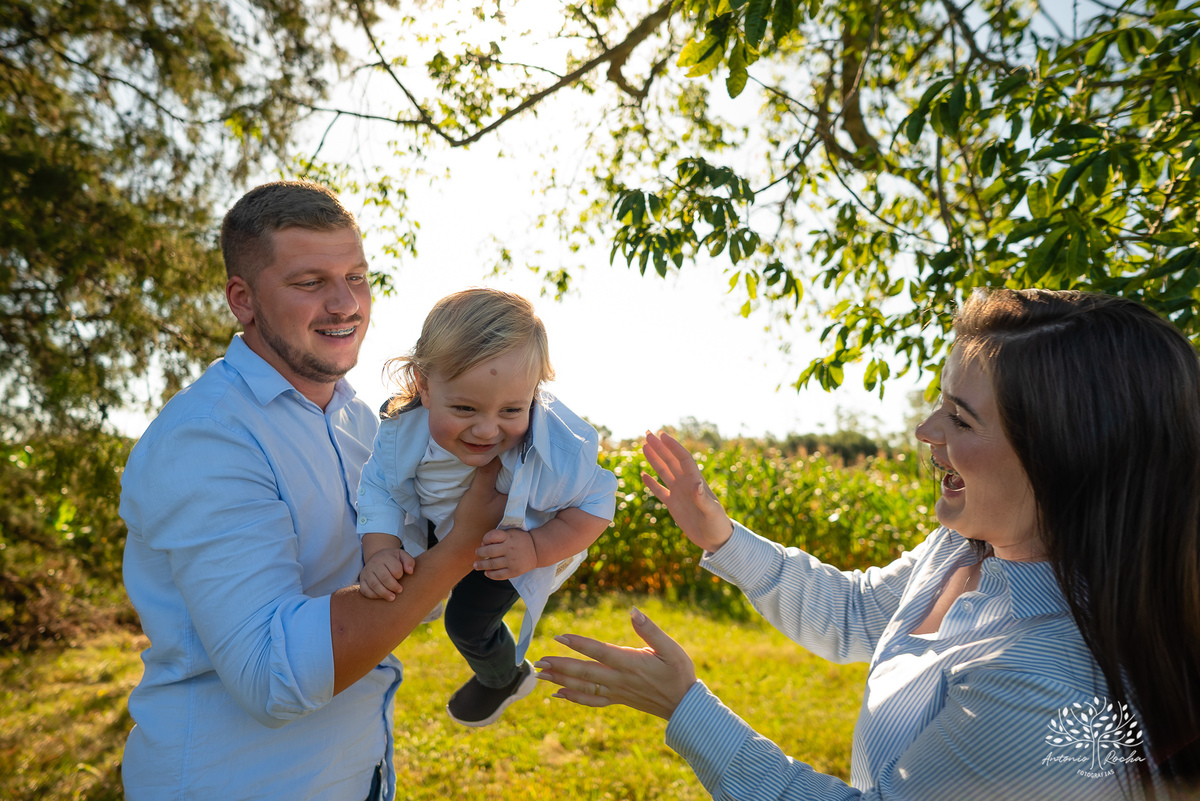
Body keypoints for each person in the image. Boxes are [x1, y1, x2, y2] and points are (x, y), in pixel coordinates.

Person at [534, 289, 1200, 799]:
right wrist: (721, 535)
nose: (925, 429)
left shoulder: (1051, 690)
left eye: (960, 417)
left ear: (1064, 459)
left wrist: (684, 707)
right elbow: (856, 613)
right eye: (941, 402)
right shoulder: (968, 548)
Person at [119, 181, 506, 800]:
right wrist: (461, 547)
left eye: (356, 276)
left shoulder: (365, 424)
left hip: (361, 774)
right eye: (309, 283)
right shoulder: (208, 438)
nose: (344, 304)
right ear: (242, 300)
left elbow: (413, 596)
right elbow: (272, 676)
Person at [356, 287, 617, 727]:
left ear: (534, 392)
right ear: (423, 383)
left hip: (508, 546)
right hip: (440, 526)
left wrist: (535, 549)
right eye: (464, 407)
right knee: (398, 588)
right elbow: (378, 489)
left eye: (511, 409)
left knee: (466, 624)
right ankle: (431, 592)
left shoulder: (557, 447)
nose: (487, 429)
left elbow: (597, 505)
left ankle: (505, 677)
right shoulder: (400, 432)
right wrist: (379, 551)